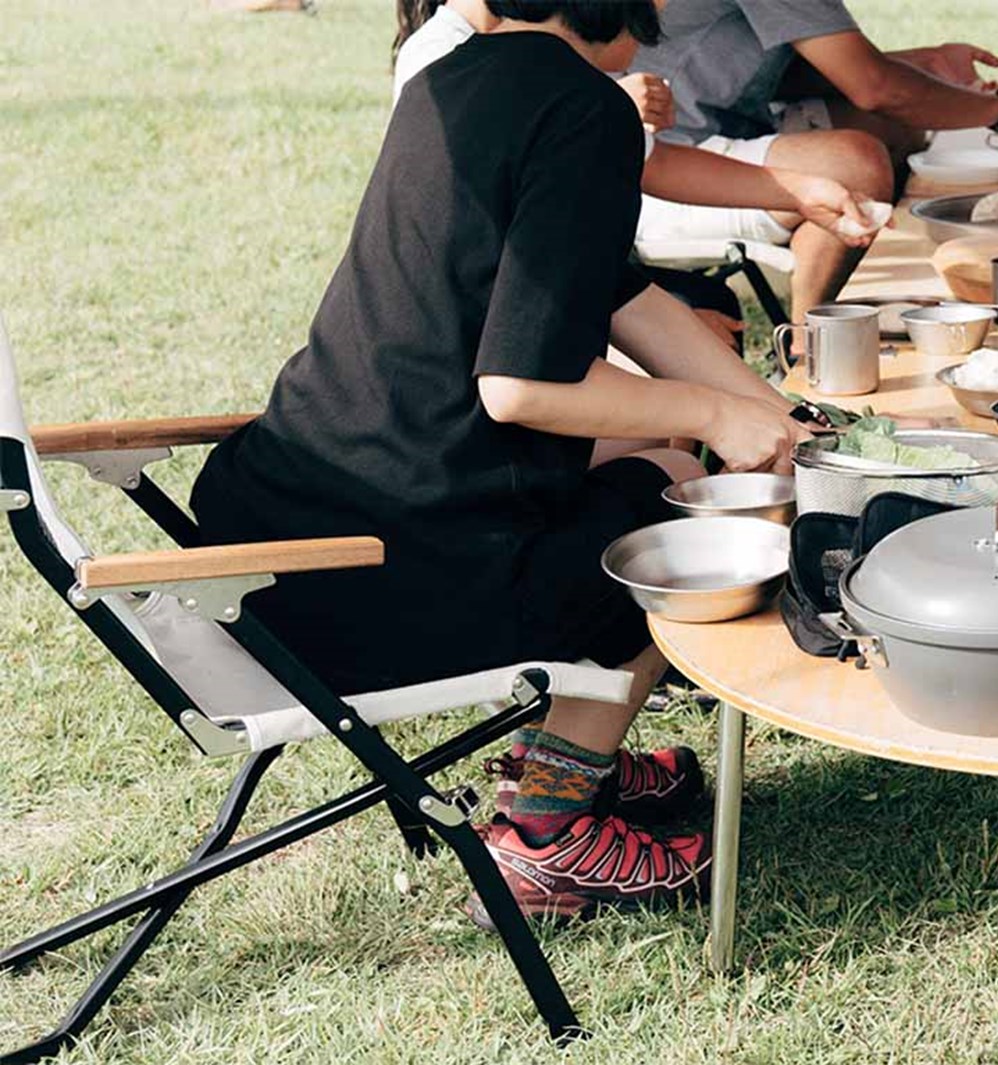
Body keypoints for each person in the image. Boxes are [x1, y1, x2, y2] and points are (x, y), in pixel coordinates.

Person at [192, 0, 816, 921]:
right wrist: (713, 411)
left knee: (663, 457)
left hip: (281, 540)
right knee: (686, 514)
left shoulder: (450, 78)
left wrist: (781, 421)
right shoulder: (586, 107)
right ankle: (548, 832)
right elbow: (519, 388)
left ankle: (561, 745)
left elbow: (624, 298)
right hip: (376, 583)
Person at [393, 0, 883, 337]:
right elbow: (499, 270)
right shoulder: (446, 63)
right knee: (692, 360)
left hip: (568, 291)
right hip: (497, 326)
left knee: (705, 326)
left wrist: (802, 192)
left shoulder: (539, 58)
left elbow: (659, 164)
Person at [628, 0, 998, 317]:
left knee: (895, 129)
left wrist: (924, 62)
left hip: (712, 133)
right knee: (858, 163)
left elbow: (801, 71)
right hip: (654, 168)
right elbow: (874, 86)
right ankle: (813, 347)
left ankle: (826, 311)